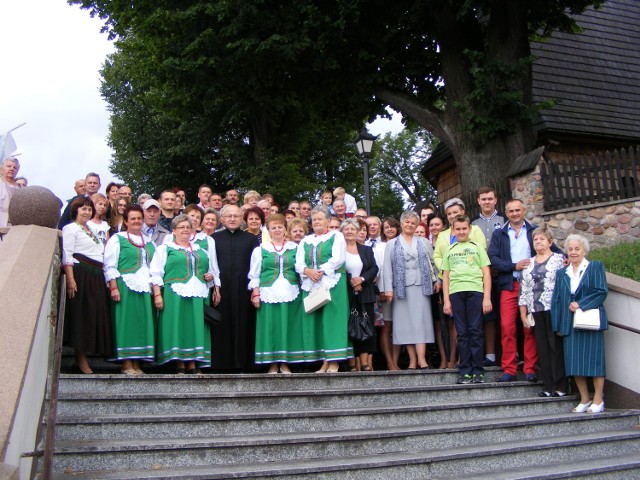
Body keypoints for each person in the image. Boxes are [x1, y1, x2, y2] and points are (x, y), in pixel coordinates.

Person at [489, 199, 560, 382]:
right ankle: (509, 369)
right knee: (507, 328)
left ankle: (530, 368)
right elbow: (493, 259)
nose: (514, 214)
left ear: (524, 210)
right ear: (506, 212)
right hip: (509, 284)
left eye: (517, 210)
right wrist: (514, 265)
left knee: (529, 327)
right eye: (511, 211)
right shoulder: (500, 233)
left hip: (532, 286)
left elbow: (551, 248)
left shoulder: (533, 230)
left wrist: (566, 258)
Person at [150, 215, 220, 374]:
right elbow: (156, 273)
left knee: (195, 327)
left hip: (198, 294)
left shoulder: (200, 250)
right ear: (173, 231)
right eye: (181, 227)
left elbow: (208, 272)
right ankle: (180, 363)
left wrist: (209, 277)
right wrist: (157, 295)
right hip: (175, 294)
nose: (185, 230)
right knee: (178, 326)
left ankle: (193, 363)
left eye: (188, 227)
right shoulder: (165, 248)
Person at [551, 234, 608, 413]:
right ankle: (584, 398)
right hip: (570, 324)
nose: (573, 252)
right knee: (574, 363)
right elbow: (558, 300)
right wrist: (558, 325)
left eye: (577, 249)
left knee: (595, 362)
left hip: (589, 321)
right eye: (570, 249)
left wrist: (581, 304)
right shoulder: (562, 273)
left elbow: (601, 292)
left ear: (584, 250)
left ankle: (598, 399)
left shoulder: (594, 267)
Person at [295, 205, 352, 373]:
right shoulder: (306, 241)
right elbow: (298, 263)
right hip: (312, 283)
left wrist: (318, 271)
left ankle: (334, 361)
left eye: (320, 219)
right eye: (314, 220)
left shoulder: (337, 236)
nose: (317, 222)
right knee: (318, 322)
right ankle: (324, 362)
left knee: (332, 321)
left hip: (332, 282)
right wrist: (308, 271)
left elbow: (338, 259)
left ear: (328, 221)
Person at [383, 211, 439, 370]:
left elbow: (433, 264)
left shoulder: (424, 242)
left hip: (421, 286)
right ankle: (412, 361)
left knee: (421, 322)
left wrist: (438, 280)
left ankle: (422, 359)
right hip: (401, 288)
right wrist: (388, 289)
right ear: (401, 224)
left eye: (413, 223)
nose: (409, 225)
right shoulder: (391, 244)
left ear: (417, 225)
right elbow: (387, 268)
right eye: (407, 222)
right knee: (405, 324)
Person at [103, 205, 156, 375]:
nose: (136, 221)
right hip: (125, 285)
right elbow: (110, 264)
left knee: (142, 323)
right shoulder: (118, 239)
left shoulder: (150, 242)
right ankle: (126, 363)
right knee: (127, 323)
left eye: (139, 218)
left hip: (145, 287)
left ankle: (137, 363)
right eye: (132, 218)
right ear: (125, 221)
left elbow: (155, 266)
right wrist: (113, 287)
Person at [62, 196, 112, 374]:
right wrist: (70, 278)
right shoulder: (70, 229)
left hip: (96, 274)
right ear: (75, 210)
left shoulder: (90, 229)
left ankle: (84, 358)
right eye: (83, 209)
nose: (86, 212)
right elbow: (67, 255)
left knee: (93, 315)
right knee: (81, 316)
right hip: (81, 273)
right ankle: (81, 360)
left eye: (89, 209)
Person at [249, 214, 304, 374]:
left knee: (289, 328)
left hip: (292, 292)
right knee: (270, 328)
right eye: (273, 227)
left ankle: (285, 363)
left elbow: (301, 270)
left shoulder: (295, 248)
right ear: (268, 230)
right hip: (268, 293)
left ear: (285, 229)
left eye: (280, 227)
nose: (277, 230)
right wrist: (255, 293)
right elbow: (254, 274)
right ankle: (272, 364)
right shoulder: (260, 250)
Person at [441, 215, 492, 384]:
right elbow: (446, 277)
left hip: (475, 291)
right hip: (456, 293)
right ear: (453, 230)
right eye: (458, 229)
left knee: (476, 331)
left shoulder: (477, 247)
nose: (461, 232)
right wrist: (446, 301)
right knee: (462, 333)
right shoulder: (449, 249)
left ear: (469, 229)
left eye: (464, 228)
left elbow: (486, 273)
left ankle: (478, 370)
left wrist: (487, 298)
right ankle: (465, 371)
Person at [518, 227, 567, 397]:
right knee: (543, 348)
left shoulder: (559, 260)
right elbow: (524, 290)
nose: (538, 242)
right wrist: (523, 314)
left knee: (556, 347)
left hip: (553, 308)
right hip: (536, 309)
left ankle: (560, 386)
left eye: (542, 239)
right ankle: (548, 385)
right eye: (536, 239)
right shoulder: (529, 263)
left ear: (550, 242)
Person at [211, 205, 260, 370]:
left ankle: (244, 363)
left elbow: (256, 267)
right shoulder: (213, 239)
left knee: (245, 324)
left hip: (243, 290)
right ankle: (221, 364)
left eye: (236, 216)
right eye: (229, 216)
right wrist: (215, 287)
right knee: (221, 325)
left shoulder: (251, 239)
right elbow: (210, 265)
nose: (232, 219)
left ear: (242, 219)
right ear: (222, 219)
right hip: (221, 290)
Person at [472, 186, 507, 367]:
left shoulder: (504, 220)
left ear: (495, 200)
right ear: (478, 201)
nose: (487, 202)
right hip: (481, 276)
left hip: (504, 274)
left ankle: (511, 353)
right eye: (483, 199)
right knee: (489, 316)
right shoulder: (472, 224)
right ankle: (491, 355)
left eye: (490, 198)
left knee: (508, 316)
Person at [341, 219, 378, 371]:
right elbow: (336, 269)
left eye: (352, 229)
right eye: (346, 229)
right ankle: (351, 363)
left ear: (357, 232)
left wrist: (361, 280)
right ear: (342, 232)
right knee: (347, 327)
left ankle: (364, 363)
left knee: (365, 325)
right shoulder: (338, 250)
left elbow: (374, 268)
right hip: (345, 294)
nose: (349, 231)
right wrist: (351, 280)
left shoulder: (366, 250)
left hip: (365, 292)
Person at [428, 213, 455, 369]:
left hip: (449, 284)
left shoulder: (449, 240)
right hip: (433, 289)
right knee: (438, 326)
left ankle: (453, 358)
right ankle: (443, 358)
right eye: (431, 225)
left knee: (452, 324)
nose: (434, 227)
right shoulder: (425, 243)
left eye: (437, 224)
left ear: (443, 226)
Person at [0, 157, 21, 227]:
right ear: (1, 169)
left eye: (15, 168)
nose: (12, 169)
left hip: (15, 227)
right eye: (9, 166)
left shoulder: (20, 188)